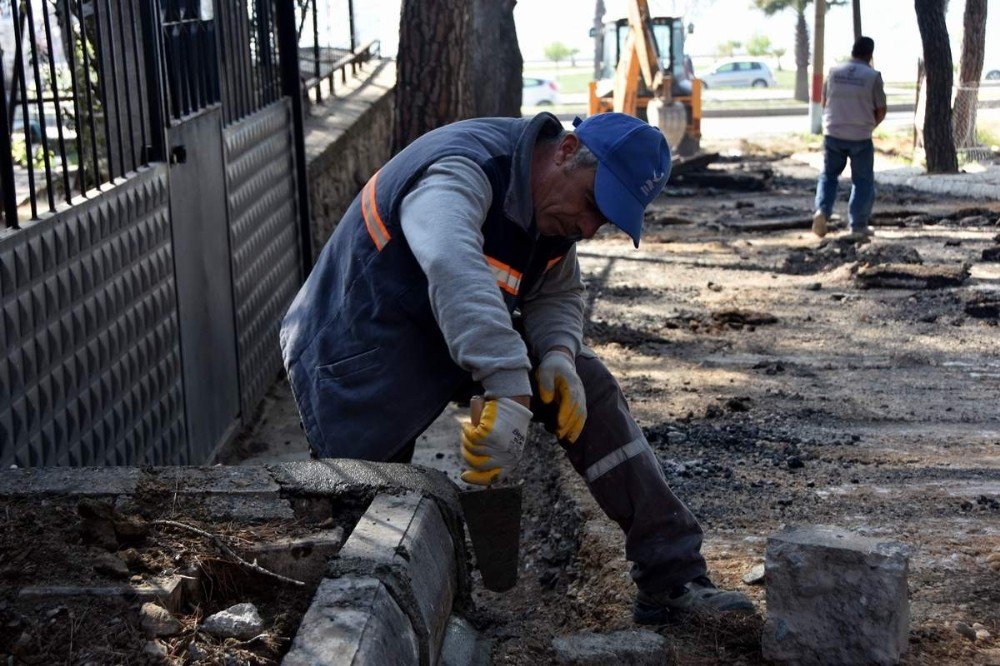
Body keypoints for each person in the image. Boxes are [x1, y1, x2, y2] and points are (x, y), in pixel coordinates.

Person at [280, 111, 753, 623]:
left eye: (606, 220)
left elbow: (558, 288)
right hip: (360, 343)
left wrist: (558, 356)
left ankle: (672, 577)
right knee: (366, 509)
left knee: (588, 387)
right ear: (567, 150)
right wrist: (508, 383)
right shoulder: (462, 168)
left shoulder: (554, 201)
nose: (589, 229)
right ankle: (383, 621)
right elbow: (451, 263)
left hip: (445, 326)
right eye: (594, 205)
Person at [812, 36, 887, 242]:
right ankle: (858, 225)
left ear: (852, 51)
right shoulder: (872, 76)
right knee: (862, 181)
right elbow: (881, 109)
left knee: (828, 175)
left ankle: (821, 212)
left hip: (833, 132)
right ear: (870, 54)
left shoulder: (834, 73)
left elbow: (824, 101)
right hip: (860, 136)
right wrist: (870, 125)